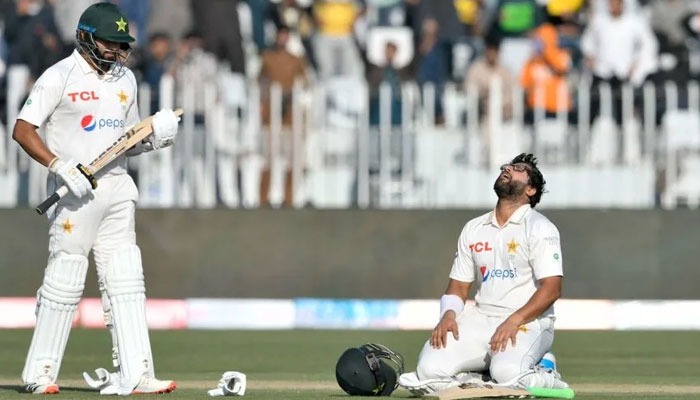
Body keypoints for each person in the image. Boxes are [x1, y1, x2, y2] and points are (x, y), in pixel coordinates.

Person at [11, 3, 180, 395]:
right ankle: (39, 374)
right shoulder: (60, 75)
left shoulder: (127, 80)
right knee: (65, 278)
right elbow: (22, 129)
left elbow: (127, 143)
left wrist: (155, 137)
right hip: (75, 193)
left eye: (122, 44)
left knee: (125, 278)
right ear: (85, 37)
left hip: (118, 187)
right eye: (110, 42)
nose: (117, 51)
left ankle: (136, 374)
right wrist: (58, 165)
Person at [398, 153, 570, 396]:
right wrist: (448, 315)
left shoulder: (540, 227)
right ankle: (478, 377)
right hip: (480, 319)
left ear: (531, 190)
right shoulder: (474, 228)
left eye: (518, 168)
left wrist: (514, 319)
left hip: (527, 323)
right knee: (428, 370)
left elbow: (552, 289)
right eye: (506, 166)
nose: (508, 168)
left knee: (508, 373)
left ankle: (545, 369)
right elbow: (457, 288)